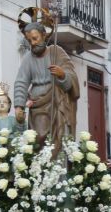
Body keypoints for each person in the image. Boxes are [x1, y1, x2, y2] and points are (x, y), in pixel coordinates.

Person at [13, 21, 79, 152]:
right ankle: (41, 169)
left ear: (44, 35)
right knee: (38, 140)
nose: (32, 43)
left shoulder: (56, 52)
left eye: (35, 38)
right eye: (29, 40)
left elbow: (71, 76)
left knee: (59, 139)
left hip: (57, 102)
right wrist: (19, 105)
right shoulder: (28, 58)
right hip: (38, 106)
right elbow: (21, 82)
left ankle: (56, 169)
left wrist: (62, 75)